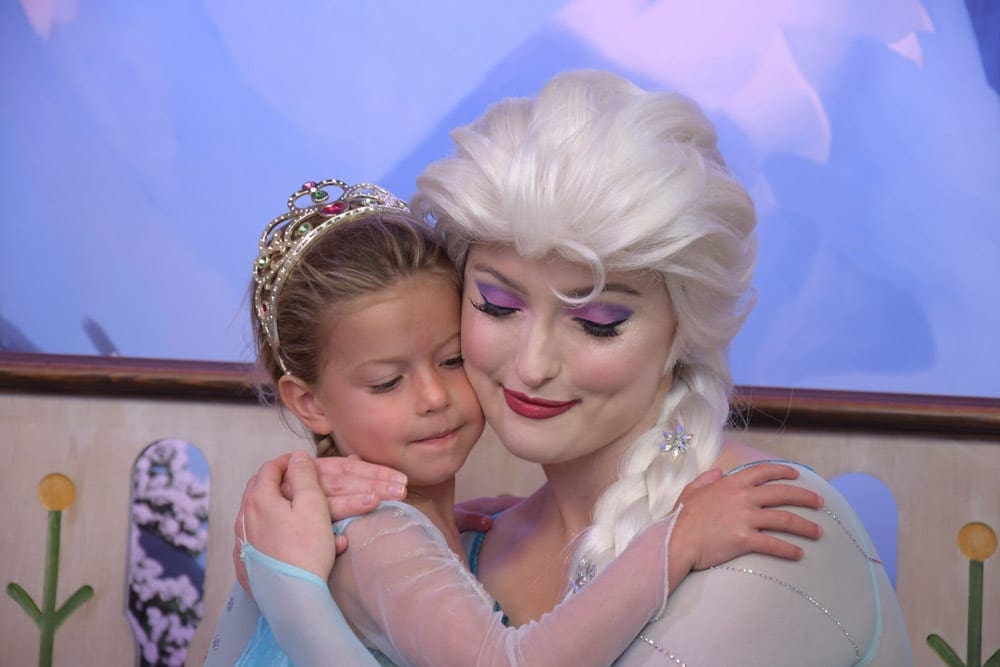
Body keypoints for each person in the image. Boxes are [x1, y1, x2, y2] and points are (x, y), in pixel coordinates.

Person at [231, 70, 913, 664]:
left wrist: (295, 596)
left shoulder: (767, 521)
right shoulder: (472, 542)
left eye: (597, 321)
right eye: (497, 306)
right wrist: (269, 565)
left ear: (684, 327)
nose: (532, 365)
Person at [205, 177, 826, 666]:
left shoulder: (436, 525)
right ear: (308, 402)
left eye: (452, 359)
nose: (432, 398)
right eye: (387, 382)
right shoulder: (374, 534)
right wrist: (679, 539)